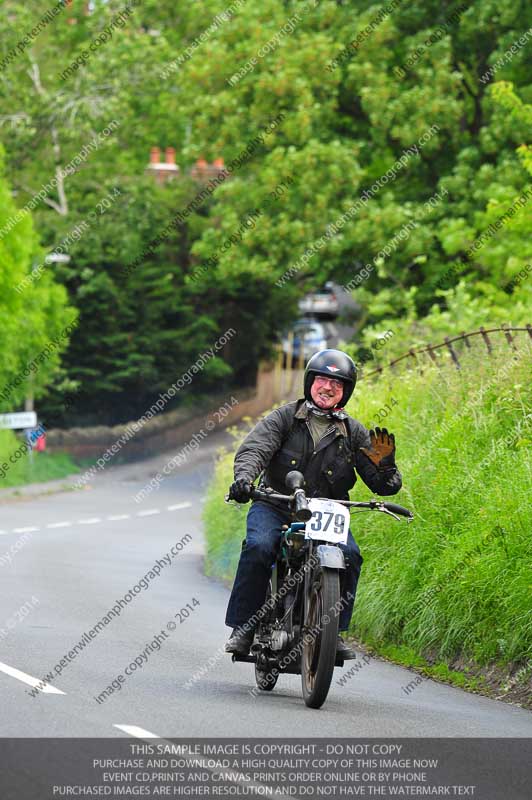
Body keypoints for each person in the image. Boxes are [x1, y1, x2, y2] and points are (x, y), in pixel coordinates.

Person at [225, 349, 402, 659]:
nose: (328, 388)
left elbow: (382, 485)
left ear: (345, 391)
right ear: (310, 383)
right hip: (276, 503)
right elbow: (254, 451)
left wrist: (387, 467)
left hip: (326, 512)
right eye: (322, 380)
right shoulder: (284, 418)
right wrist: (244, 480)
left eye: (337, 383)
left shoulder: (354, 432)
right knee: (259, 547)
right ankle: (245, 627)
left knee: (350, 555)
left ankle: (333, 634)